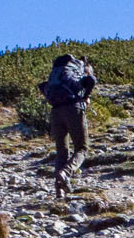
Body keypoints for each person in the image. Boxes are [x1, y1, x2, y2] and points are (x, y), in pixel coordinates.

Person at [39, 53, 96, 196]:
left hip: (56, 111)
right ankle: (65, 174)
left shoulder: (59, 73)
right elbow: (91, 80)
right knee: (82, 148)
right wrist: (85, 97)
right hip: (73, 108)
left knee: (61, 152)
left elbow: (42, 86)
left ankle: (59, 190)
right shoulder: (81, 71)